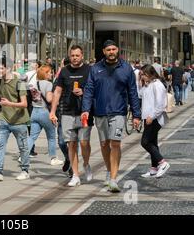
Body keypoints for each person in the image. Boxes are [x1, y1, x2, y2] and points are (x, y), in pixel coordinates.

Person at [81, 40, 141, 193]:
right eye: (108, 49)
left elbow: (133, 93)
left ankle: (113, 179)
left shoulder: (126, 68)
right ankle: (109, 170)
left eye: (114, 49)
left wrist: (136, 115)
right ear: (104, 51)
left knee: (115, 143)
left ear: (118, 50)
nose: (111, 52)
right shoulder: (96, 69)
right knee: (104, 144)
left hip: (118, 112)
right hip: (100, 112)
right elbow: (89, 90)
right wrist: (86, 109)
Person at [51, 46, 92, 187]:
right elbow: (57, 91)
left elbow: (95, 88)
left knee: (84, 142)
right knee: (71, 144)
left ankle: (86, 163)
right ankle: (75, 174)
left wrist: (83, 91)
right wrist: (52, 111)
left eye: (77, 55)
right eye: (72, 55)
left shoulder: (89, 70)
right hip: (67, 112)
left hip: (84, 112)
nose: (75, 58)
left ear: (82, 55)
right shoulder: (64, 71)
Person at [0, 58, 30, 182]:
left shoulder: (19, 83)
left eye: (1, 68)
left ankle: (25, 170)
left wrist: (9, 103)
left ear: (8, 68)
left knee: (23, 147)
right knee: (0, 144)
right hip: (4, 119)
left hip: (19, 120)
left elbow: (24, 104)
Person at [138, 65, 170, 178]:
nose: (142, 77)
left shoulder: (157, 84)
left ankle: (162, 162)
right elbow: (140, 94)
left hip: (154, 119)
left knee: (145, 142)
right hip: (147, 117)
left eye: (143, 74)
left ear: (150, 74)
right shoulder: (148, 84)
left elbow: (161, 104)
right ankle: (153, 168)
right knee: (153, 143)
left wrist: (152, 116)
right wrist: (141, 82)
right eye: (141, 74)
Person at [27, 64, 61, 166]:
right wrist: (57, 99)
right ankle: (53, 158)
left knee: (32, 136)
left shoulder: (33, 84)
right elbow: (50, 99)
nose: (51, 74)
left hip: (34, 112)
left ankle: (23, 155)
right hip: (45, 112)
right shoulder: (48, 84)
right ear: (45, 74)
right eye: (50, 72)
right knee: (51, 137)